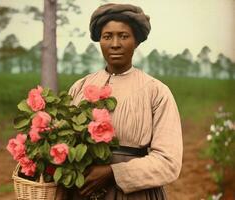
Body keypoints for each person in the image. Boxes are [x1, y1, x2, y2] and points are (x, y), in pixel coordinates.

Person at [67, 3, 183, 200]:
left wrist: (114, 172)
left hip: (134, 194)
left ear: (136, 42)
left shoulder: (156, 91)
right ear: (99, 41)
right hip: (82, 191)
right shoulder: (80, 87)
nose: (115, 44)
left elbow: (168, 162)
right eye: (107, 36)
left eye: (123, 36)